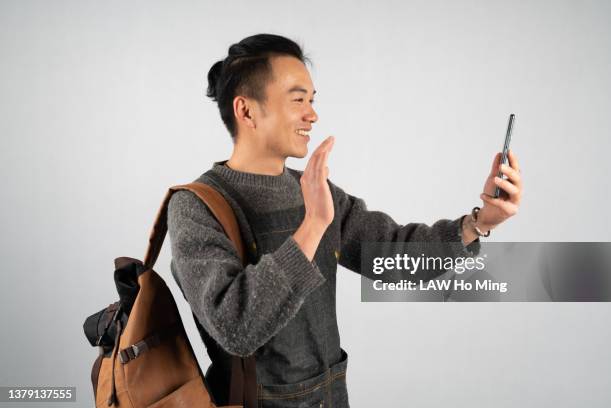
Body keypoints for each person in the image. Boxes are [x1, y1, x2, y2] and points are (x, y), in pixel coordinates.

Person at [167, 33, 523, 408]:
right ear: (246, 111)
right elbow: (235, 328)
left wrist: (480, 223)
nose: (313, 114)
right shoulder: (197, 207)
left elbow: (394, 255)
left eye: (313, 100)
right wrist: (313, 226)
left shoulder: (315, 190)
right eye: (298, 99)